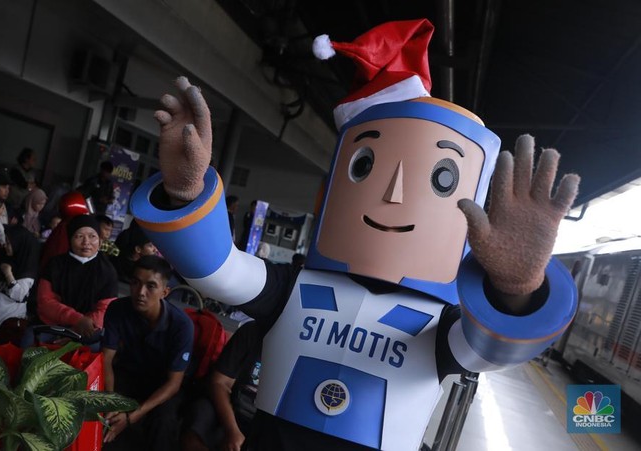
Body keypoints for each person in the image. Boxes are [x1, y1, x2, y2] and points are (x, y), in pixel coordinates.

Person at [129, 20, 580, 451]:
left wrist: (517, 292)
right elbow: (218, 270)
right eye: (364, 165)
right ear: (330, 188)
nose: (395, 193)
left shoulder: (441, 325)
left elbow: (491, 350)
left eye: (442, 179)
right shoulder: (292, 288)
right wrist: (185, 193)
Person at [102, 255, 194, 450]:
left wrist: (134, 415)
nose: (140, 292)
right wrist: (110, 402)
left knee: (164, 421)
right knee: (104, 413)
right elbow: (106, 359)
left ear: (165, 292)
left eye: (151, 286)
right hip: (129, 374)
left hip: (163, 384)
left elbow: (174, 383)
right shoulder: (117, 308)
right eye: (135, 283)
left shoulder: (181, 325)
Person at [35, 215, 118, 343]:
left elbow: (105, 309)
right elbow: (45, 302)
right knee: (29, 342)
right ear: (70, 239)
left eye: (92, 236)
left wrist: (76, 331)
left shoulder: (107, 271)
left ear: (100, 241)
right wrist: (77, 319)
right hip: (53, 325)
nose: (86, 242)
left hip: (88, 330)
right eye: (79, 236)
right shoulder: (55, 265)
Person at [182, 321, 262, 451]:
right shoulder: (252, 331)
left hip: (263, 422)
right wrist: (232, 430)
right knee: (200, 416)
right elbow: (219, 382)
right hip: (230, 407)